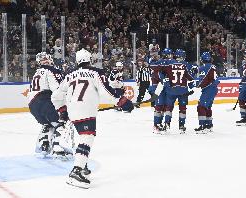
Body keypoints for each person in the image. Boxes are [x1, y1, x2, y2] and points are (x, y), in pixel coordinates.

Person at [51, 48, 134, 189]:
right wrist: (122, 102)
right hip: (86, 111)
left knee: (82, 138)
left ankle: (83, 166)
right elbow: (106, 92)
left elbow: (56, 96)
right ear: (90, 59)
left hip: (73, 111)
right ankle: (76, 171)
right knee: (86, 138)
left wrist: (62, 111)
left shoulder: (69, 75)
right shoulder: (95, 72)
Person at [28, 52, 70, 157]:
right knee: (60, 122)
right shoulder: (52, 70)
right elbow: (58, 90)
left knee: (48, 124)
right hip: (45, 101)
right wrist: (64, 107)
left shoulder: (37, 72)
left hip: (33, 106)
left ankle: (44, 145)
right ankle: (58, 147)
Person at [162, 49, 195, 133]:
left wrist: (166, 86)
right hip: (183, 91)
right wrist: (191, 85)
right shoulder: (186, 64)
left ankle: (167, 124)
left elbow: (163, 76)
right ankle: (181, 125)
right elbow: (190, 78)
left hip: (171, 90)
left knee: (169, 108)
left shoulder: (169, 63)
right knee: (182, 109)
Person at [194, 52, 220, 133]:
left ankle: (202, 126)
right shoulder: (213, 66)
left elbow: (203, 79)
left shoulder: (205, 67)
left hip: (209, 89)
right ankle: (209, 125)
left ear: (202, 59)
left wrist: (196, 85)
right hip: (212, 89)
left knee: (201, 106)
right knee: (207, 106)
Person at [149, 48, 172, 133]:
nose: (170, 56)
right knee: (159, 106)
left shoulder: (168, 63)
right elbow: (155, 72)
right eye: (169, 54)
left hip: (164, 88)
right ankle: (156, 125)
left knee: (163, 106)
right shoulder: (160, 63)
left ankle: (159, 123)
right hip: (158, 88)